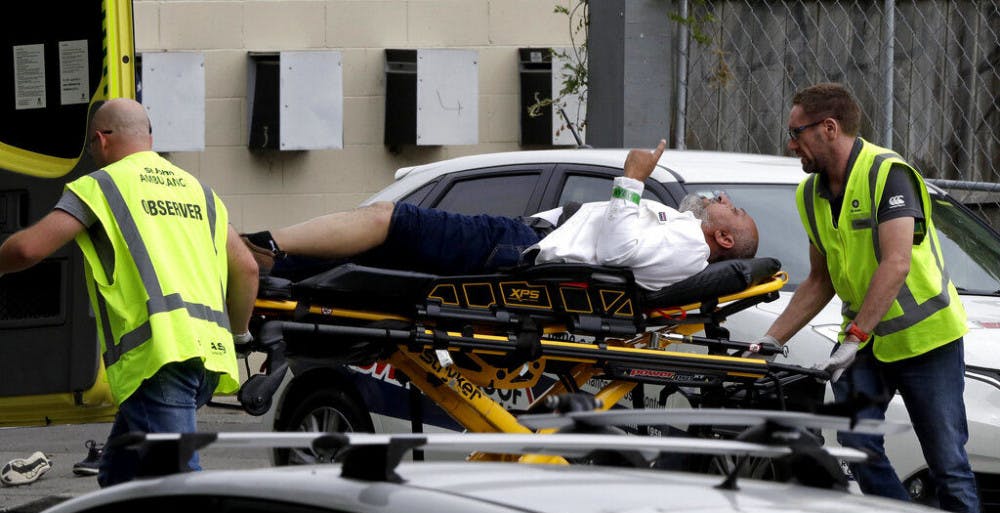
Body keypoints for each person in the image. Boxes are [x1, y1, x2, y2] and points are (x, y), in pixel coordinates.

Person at [0, 98, 259, 487]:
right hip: (207, 359)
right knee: (119, 484)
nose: (91, 152)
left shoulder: (101, 186)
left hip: (159, 361)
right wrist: (239, 336)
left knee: (182, 489)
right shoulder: (199, 191)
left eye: (90, 144)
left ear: (102, 140)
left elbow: (27, 249)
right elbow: (247, 268)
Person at [752, 83, 978, 513]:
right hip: (866, 341)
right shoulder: (810, 193)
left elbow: (896, 264)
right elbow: (820, 281)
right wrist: (770, 339)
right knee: (856, 445)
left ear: (829, 128)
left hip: (925, 339)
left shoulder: (887, 174)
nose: (790, 144)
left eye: (796, 133)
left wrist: (854, 338)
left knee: (947, 462)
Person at [244, 140, 759, 291]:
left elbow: (619, 251)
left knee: (387, 217)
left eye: (729, 207)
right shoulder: (683, 231)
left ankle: (260, 245)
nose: (718, 197)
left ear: (724, 240)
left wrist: (631, 178)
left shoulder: (691, 244)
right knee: (378, 250)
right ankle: (270, 270)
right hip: (526, 239)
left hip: (523, 247)